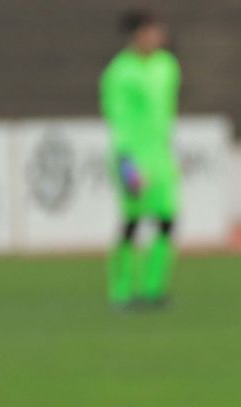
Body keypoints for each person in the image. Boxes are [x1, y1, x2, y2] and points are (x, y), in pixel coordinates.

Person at [99, 9, 180, 311]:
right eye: (150, 31)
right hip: (132, 155)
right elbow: (117, 119)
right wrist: (126, 161)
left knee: (167, 219)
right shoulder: (119, 73)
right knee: (132, 221)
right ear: (136, 35)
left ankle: (153, 287)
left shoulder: (167, 66)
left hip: (161, 155)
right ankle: (120, 291)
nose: (156, 37)